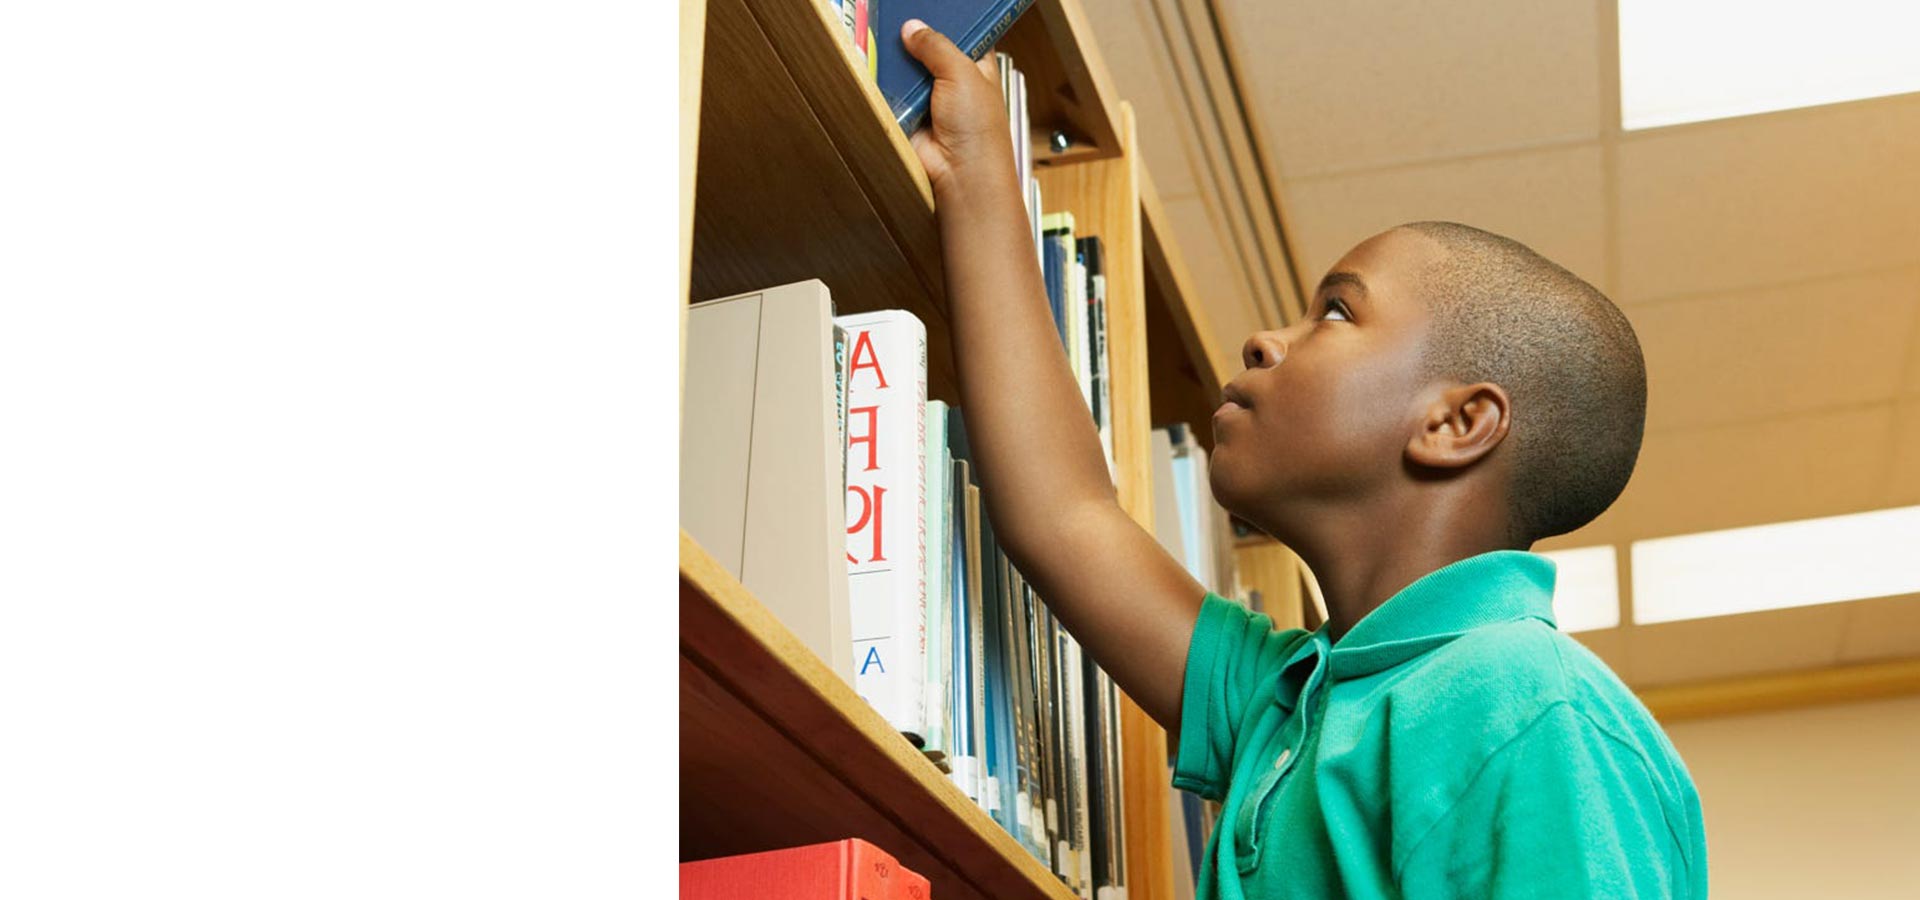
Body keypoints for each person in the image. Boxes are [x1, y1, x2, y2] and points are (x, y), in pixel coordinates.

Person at [897, 16, 1708, 900]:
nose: (1265, 340)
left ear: (1456, 423)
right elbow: (1065, 516)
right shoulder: (1289, 700)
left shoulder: (1528, 703)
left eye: (1336, 313)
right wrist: (977, 176)